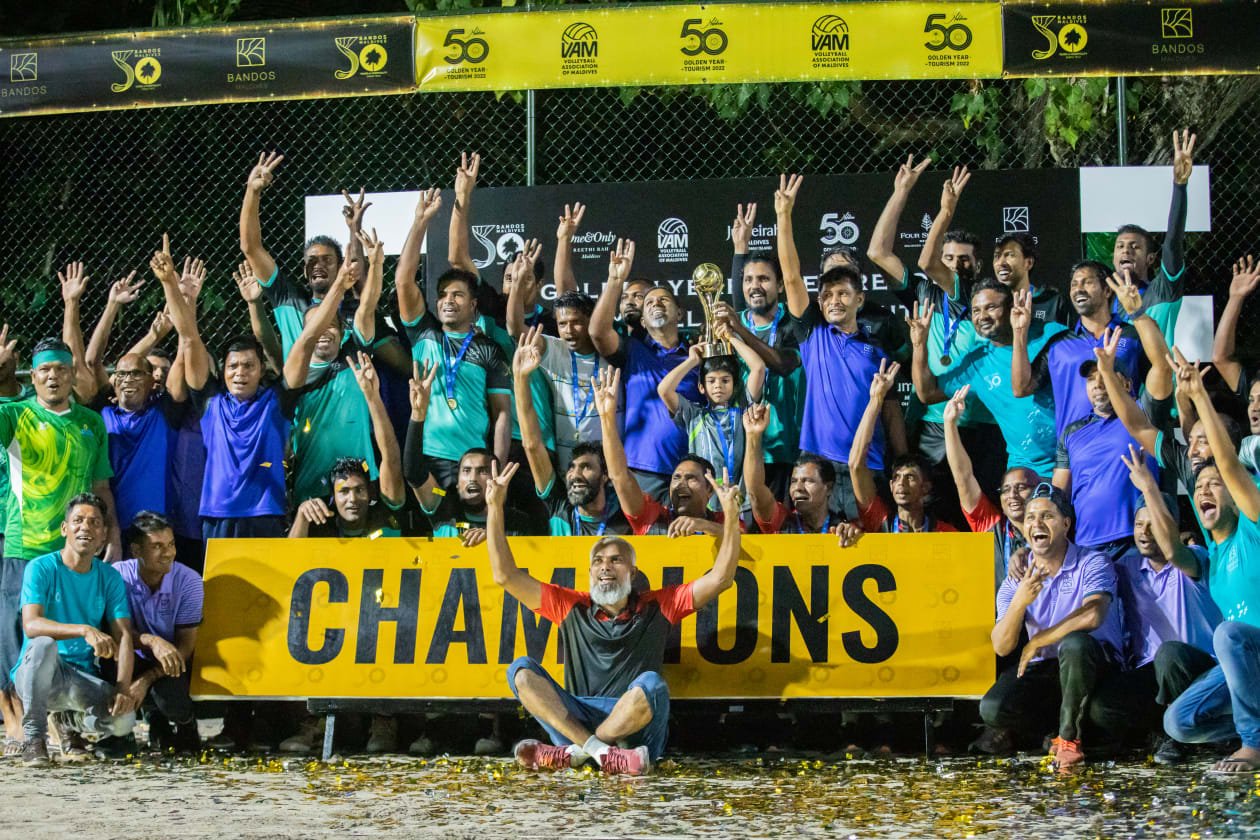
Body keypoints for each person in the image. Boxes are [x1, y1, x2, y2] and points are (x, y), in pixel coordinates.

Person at [489, 459, 743, 775]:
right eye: (598, 561)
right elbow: (505, 575)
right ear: (590, 572)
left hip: (635, 728)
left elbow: (721, 578)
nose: (605, 567)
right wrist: (494, 507)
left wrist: (731, 515)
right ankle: (600, 753)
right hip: (578, 718)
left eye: (615, 560)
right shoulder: (570, 605)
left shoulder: (658, 605)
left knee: (652, 685)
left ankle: (577, 754)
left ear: (632, 573)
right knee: (521, 671)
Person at [154, 234, 321, 541]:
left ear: (262, 370)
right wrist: (169, 284)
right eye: (233, 366)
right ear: (223, 371)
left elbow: (307, 341)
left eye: (248, 366)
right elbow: (189, 337)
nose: (240, 372)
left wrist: (338, 288)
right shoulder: (210, 402)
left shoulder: (276, 401)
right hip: (218, 515)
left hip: (266, 513)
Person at [0, 334, 118, 748]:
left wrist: (113, 532)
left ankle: (62, 723)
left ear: (73, 375)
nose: (53, 376)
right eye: (44, 370)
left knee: (67, 640)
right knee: (18, 637)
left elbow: (101, 486)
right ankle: (22, 723)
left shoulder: (91, 423)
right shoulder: (13, 415)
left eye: (61, 369)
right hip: (24, 544)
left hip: (73, 552)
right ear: (32, 376)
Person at [777, 174, 905, 518]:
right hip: (817, 467)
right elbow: (790, 277)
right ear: (819, 302)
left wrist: (902, 459)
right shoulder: (812, 335)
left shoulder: (877, 350)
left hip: (869, 466)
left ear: (859, 299)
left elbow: (891, 411)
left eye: (843, 294)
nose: (835, 300)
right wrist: (783, 216)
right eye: (828, 295)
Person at [1089, 447, 1222, 764]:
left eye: (1154, 524)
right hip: (1151, 671)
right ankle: (1159, 731)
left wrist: (1149, 486)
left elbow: (1175, 552)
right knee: (1102, 708)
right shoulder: (1126, 568)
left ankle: (1178, 737)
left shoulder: (1195, 560)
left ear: (1172, 527)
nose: (1145, 533)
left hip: (1198, 667)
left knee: (1170, 654)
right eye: (1139, 525)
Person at [980, 483, 1124, 771]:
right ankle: (1055, 732)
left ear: (1066, 524)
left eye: (1047, 516)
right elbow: (1001, 646)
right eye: (1031, 517)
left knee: (1075, 644)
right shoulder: (1016, 579)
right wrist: (1019, 602)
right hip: (1049, 670)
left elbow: (1093, 614)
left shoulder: (1092, 561)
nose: (1037, 523)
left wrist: (1039, 639)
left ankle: (1069, 739)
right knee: (993, 708)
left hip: (1096, 666)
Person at [1162, 357, 1260, 775]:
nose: (1203, 489)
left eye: (1214, 485)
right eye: (1198, 486)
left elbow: (1230, 464)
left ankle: (1254, 744)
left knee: (1228, 634)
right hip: (1245, 667)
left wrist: (1200, 397)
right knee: (1178, 722)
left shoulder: (1253, 525)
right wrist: (1148, 488)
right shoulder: (1213, 553)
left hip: (1248, 647)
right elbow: (1172, 550)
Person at [239, 152, 409, 374]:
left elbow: (404, 366)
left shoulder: (356, 313)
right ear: (304, 270)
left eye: (327, 260)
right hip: (301, 395)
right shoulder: (288, 298)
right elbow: (251, 248)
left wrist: (355, 232)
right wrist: (253, 192)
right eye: (311, 261)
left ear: (340, 268)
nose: (317, 265)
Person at [12, 494, 139, 766]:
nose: (86, 527)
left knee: (124, 721)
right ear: (64, 528)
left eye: (95, 522)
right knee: (43, 644)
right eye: (78, 520)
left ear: (103, 533)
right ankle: (34, 739)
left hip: (80, 676)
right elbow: (31, 625)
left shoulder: (109, 577)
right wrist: (83, 630)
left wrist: (123, 689)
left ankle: (66, 721)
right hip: (38, 672)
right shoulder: (41, 568)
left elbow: (124, 636)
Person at [910, 278, 1066, 477]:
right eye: (976, 310)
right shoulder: (978, 361)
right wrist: (919, 344)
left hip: (1072, 460)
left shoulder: (1050, 335)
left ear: (1011, 308)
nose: (982, 316)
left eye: (991, 307)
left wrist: (1020, 332)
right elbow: (927, 392)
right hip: (1024, 470)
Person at [591, 240, 701, 502]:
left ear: (680, 314)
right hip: (642, 471)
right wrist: (615, 280)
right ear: (642, 320)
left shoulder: (697, 355)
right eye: (649, 301)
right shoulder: (632, 350)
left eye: (664, 299)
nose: (656, 303)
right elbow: (597, 332)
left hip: (691, 470)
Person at [285, 230, 387, 504]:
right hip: (312, 490)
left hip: (361, 484)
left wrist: (376, 265)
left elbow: (367, 307)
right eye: (317, 327)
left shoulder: (355, 355)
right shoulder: (296, 373)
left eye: (332, 325)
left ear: (343, 332)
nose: (324, 332)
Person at [513, 326, 634, 536]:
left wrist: (607, 417)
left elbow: (620, 475)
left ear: (605, 476)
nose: (574, 475)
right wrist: (520, 379)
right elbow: (532, 445)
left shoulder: (624, 515)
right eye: (571, 467)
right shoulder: (559, 505)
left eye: (586, 467)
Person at [1013, 261, 1149, 440]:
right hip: (1075, 450)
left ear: (1107, 291)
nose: (1078, 289)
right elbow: (1021, 388)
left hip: (1125, 445)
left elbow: (1158, 384)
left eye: (1087, 282)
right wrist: (1019, 332)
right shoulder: (1058, 345)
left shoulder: (1132, 336)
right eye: (1074, 284)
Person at [403, 363, 531, 546]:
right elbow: (413, 473)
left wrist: (491, 535)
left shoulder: (517, 522)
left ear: (496, 478)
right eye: (466, 471)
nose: (472, 478)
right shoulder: (443, 508)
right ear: (457, 483)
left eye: (482, 471)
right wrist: (418, 414)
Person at [596, 368, 732, 537]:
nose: (681, 484)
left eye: (691, 478)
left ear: (709, 490)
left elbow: (741, 538)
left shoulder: (725, 521)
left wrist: (704, 526)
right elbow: (619, 477)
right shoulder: (651, 517)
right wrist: (607, 417)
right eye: (676, 477)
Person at [1052, 357, 1162, 558]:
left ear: (1127, 384)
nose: (1097, 384)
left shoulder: (1143, 414)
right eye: (1091, 379)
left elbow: (1161, 368)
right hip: (1086, 548)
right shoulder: (1071, 433)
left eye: (1105, 375)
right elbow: (1058, 496)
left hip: (1138, 543)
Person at [288, 353, 406, 541]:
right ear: (333, 498)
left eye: (359, 490)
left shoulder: (386, 512)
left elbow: (391, 458)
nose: (353, 499)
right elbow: (291, 558)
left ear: (370, 493)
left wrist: (373, 397)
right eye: (344, 491)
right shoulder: (321, 527)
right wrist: (302, 516)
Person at [114, 511, 204, 754]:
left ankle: (186, 724)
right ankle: (119, 733)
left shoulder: (189, 581)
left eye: (171, 544)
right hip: (129, 655)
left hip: (172, 660)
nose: (168, 553)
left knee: (170, 695)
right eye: (157, 546)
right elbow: (117, 632)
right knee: (108, 664)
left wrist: (146, 680)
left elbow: (186, 646)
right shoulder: (118, 575)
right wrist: (151, 641)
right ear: (136, 551)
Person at [942, 386, 1038, 584]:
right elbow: (963, 477)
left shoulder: (1052, 529)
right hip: (997, 605)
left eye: (1021, 488)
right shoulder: (990, 526)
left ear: (1038, 493)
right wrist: (950, 424)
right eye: (1006, 489)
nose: (1012, 495)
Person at [851, 361, 958, 534]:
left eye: (910, 477)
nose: (901, 483)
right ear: (891, 486)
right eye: (896, 478)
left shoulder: (945, 533)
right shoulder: (880, 523)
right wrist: (876, 399)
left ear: (925, 488)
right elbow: (856, 465)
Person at [657, 330, 765, 500]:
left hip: (741, 499)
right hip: (704, 501)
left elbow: (758, 368)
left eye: (725, 380)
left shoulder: (743, 410)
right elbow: (664, 390)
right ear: (701, 387)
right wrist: (692, 361)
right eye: (711, 380)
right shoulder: (694, 415)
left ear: (735, 385)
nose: (718, 386)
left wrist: (730, 338)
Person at [1112, 130, 1195, 344]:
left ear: (1150, 259)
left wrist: (1180, 186)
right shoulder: (1106, 300)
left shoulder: (1163, 291)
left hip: (1160, 368)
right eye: (1120, 246)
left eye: (1135, 247)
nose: (1126, 250)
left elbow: (1172, 244)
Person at [743, 403, 842, 535]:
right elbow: (755, 490)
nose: (798, 488)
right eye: (794, 481)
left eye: (808, 481)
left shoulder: (843, 529)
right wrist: (753, 436)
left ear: (828, 488)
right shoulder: (782, 521)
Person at [990, 233, 1068, 325]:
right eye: (997, 256)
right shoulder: (989, 304)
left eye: (1010, 255)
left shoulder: (1053, 302)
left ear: (1029, 263)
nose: (1000, 263)